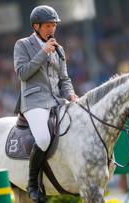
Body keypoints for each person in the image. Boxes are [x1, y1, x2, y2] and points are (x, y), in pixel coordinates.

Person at [13, 5, 78, 201]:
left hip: (57, 99)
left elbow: (64, 79)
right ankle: (32, 184)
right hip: (34, 101)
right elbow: (22, 73)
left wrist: (72, 95)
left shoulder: (59, 49)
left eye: (54, 26)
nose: (52, 30)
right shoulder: (22, 45)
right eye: (48, 25)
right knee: (42, 138)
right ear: (36, 26)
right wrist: (43, 52)